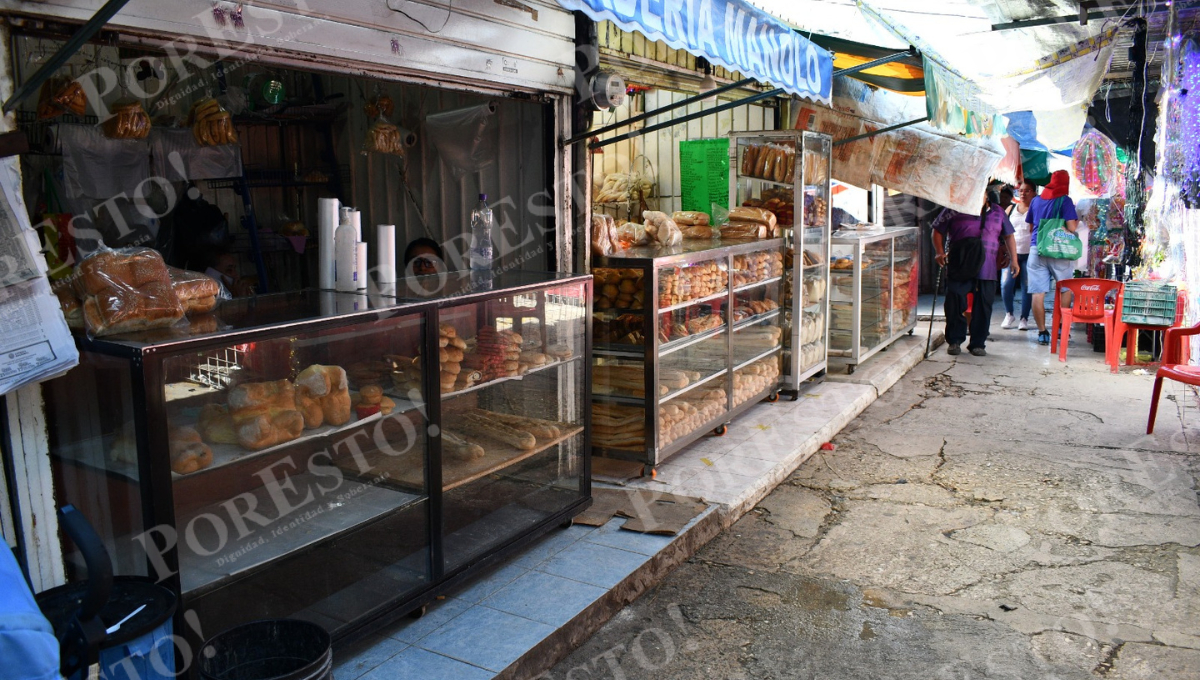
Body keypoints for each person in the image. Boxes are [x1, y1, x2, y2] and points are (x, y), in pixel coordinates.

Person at [932, 189, 1020, 357]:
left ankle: (978, 343)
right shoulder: (953, 208)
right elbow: (937, 230)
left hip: (987, 268)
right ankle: (955, 341)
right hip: (959, 265)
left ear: (987, 197)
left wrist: (1014, 260)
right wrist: (939, 252)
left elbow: (1009, 236)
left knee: (983, 306)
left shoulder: (998, 212)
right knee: (954, 302)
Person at [1025, 170, 1079, 345]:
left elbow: (1030, 228)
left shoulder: (1035, 200)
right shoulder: (1065, 201)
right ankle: (1061, 327)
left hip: (1037, 249)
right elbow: (1071, 227)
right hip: (1059, 250)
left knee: (1037, 293)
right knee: (1065, 288)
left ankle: (1042, 332)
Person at [1001, 179, 1036, 330]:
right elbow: (1001, 230)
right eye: (1021, 190)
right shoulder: (1010, 209)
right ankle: (1009, 314)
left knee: (1027, 286)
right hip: (1011, 255)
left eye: (1027, 190)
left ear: (1034, 193)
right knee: (1006, 285)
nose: (1023, 193)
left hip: (1030, 255)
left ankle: (1024, 318)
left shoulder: (1036, 209)